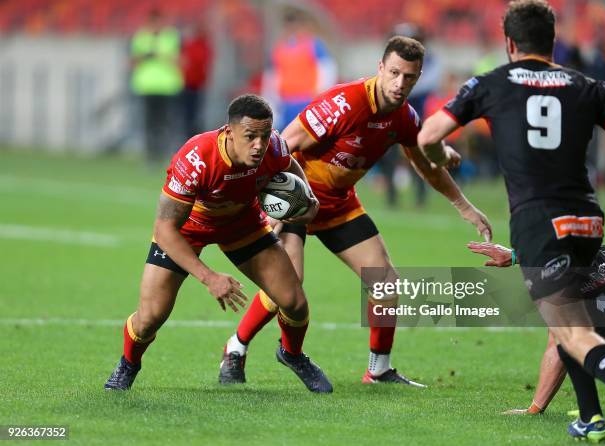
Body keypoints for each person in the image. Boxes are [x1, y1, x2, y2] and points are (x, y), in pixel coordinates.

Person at [218, 36, 492, 387]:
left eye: (409, 77)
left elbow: (425, 164)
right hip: (298, 202)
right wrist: (271, 202)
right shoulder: (344, 103)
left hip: (339, 204)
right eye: (394, 73)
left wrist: (463, 206)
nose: (400, 83)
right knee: (286, 286)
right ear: (380, 68)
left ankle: (378, 370)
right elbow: (283, 144)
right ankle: (236, 348)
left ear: (419, 76)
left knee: (385, 283)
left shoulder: (404, 117)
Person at [417, 0, 605, 441]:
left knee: (575, 334)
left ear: (509, 43)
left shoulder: (492, 83)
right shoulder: (587, 85)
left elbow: (427, 135)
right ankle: (590, 419)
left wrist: (441, 156)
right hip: (587, 220)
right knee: (569, 324)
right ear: (553, 41)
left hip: (538, 218)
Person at [104, 94, 333, 394]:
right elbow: (164, 228)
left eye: (264, 136)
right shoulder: (196, 158)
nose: (258, 145)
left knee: (294, 302)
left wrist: (308, 199)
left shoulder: (272, 147)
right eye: (250, 136)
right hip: (188, 228)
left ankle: (291, 354)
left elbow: (288, 165)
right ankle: (128, 363)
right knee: (149, 318)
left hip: (242, 223)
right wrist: (209, 277)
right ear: (229, 132)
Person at [468, 242, 605, 424]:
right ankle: (590, 413)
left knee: (569, 342)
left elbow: (557, 349)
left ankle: (590, 416)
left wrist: (535, 409)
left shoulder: (565, 287)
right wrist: (514, 257)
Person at [261, 9, 337, 129]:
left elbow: (327, 68)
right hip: (286, 103)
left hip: (308, 101)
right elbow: (272, 76)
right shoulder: (278, 49)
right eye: (288, 26)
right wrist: (271, 100)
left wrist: (321, 92)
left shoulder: (314, 45)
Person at [130, 9, 184, 164]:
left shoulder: (172, 36)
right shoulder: (141, 37)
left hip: (167, 87)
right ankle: (151, 157)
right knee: (149, 124)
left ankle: (167, 155)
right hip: (147, 87)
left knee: (166, 124)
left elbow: (180, 60)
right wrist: (145, 56)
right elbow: (133, 61)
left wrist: (160, 55)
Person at [180, 20, 214, 139]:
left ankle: (192, 136)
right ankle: (188, 135)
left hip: (196, 84)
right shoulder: (195, 45)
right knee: (189, 113)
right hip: (189, 83)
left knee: (193, 113)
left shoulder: (201, 46)